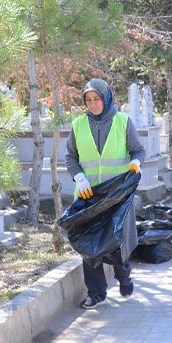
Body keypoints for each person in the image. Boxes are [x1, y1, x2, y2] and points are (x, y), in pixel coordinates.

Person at [66, 78, 144, 308]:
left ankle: (123, 275)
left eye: (97, 99)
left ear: (106, 98)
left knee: (117, 240)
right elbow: (71, 157)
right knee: (89, 244)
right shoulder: (78, 125)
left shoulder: (123, 122)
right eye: (88, 100)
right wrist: (79, 177)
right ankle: (97, 293)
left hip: (116, 194)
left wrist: (136, 162)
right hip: (88, 194)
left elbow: (138, 150)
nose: (93, 104)